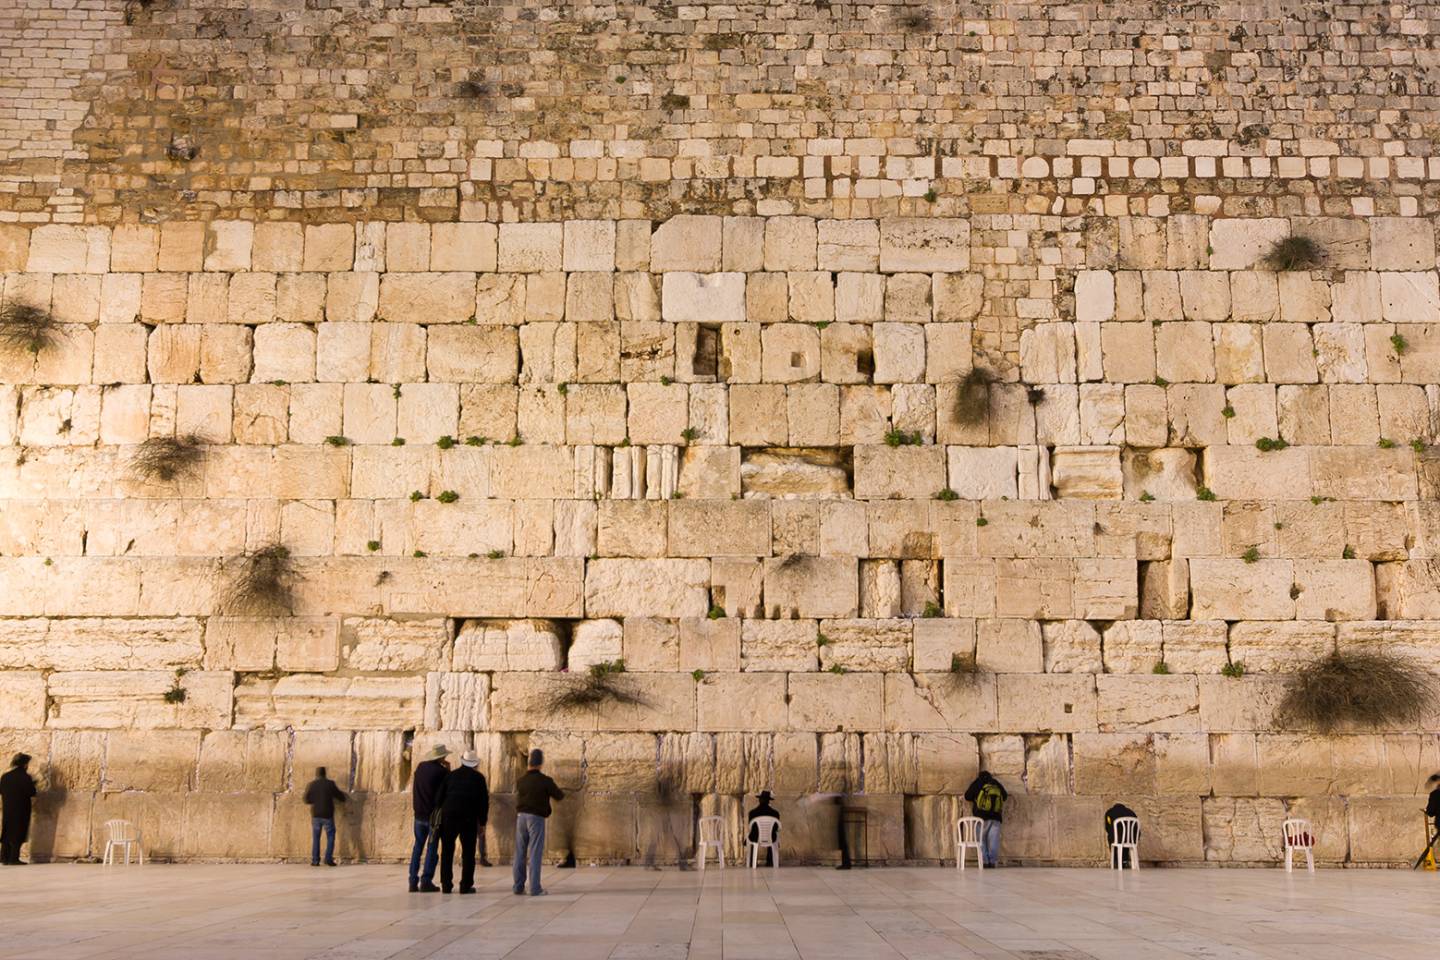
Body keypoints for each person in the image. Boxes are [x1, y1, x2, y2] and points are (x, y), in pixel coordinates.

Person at [433, 750, 489, 895]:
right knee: (468, 853)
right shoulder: (479, 778)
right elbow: (483, 803)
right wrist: (482, 823)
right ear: (475, 764)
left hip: (449, 817)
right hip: (468, 818)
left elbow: (439, 798)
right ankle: (465, 885)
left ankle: (446, 885)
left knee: (447, 851)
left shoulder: (450, 776)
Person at [513, 748, 565, 896]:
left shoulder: (521, 781)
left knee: (520, 852)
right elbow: (559, 796)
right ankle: (535, 888)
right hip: (536, 818)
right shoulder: (545, 781)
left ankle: (518, 886)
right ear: (540, 763)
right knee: (535, 852)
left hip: (521, 817)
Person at [410, 743, 451, 892]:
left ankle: (412, 881)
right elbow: (447, 788)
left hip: (418, 815)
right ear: (442, 757)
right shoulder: (441, 772)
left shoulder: (420, 767)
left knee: (417, 847)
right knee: (432, 849)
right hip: (433, 817)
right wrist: (448, 770)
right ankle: (426, 880)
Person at [302, 766, 347, 867]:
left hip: (316, 815)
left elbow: (306, 799)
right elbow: (340, 797)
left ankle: (315, 860)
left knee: (316, 838)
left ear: (317, 774)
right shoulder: (330, 784)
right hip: (327, 814)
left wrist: (315, 800)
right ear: (325, 774)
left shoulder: (312, 784)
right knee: (330, 836)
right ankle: (328, 859)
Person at [963, 770, 1007, 868]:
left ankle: (985, 862)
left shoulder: (978, 782)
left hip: (981, 818)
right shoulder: (995, 783)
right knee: (993, 841)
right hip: (996, 818)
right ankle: (993, 862)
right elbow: (1005, 796)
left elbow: (967, 796)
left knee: (981, 841)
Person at [0, 754, 37, 865]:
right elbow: (32, 792)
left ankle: (4, 857)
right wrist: (33, 784)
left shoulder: (5, 776)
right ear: (25, 764)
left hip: (7, 808)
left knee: (6, 832)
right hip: (21, 809)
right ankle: (13, 858)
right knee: (18, 833)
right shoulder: (24, 777)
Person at [746, 790, 781, 866]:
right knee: (772, 835)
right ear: (769, 801)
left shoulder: (752, 813)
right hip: (771, 837)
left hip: (755, 837)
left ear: (759, 800)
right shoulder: (775, 813)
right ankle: (770, 861)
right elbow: (776, 828)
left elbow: (751, 827)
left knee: (751, 836)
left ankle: (752, 862)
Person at [1103, 802, 1140, 868]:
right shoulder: (1131, 812)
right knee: (1125, 839)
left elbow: (1107, 827)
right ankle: (1125, 860)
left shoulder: (1109, 812)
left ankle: (1116, 861)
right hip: (1132, 839)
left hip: (1118, 838)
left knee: (1112, 838)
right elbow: (1137, 827)